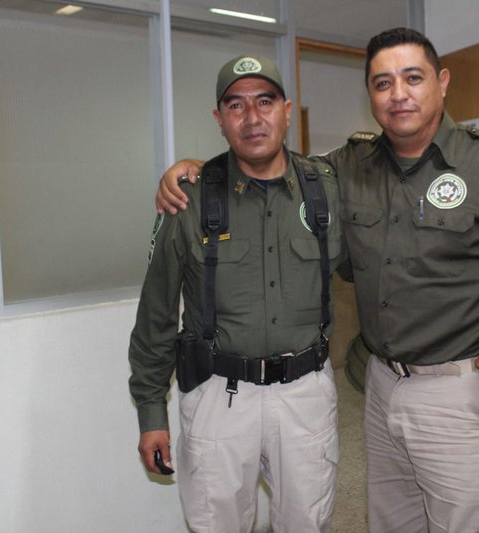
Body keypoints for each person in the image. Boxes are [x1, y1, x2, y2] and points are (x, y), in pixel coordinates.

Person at [154, 28, 479, 533]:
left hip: (461, 392)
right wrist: (199, 171)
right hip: (380, 387)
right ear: (370, 95)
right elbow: (268, 165)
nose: (398, 94)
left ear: (442, 83)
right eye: (382, 83)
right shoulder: (345, 168)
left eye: (412, 78)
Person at [128, 54, 347, 533]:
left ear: (287, 110)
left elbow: (374, 271)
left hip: (305, 393)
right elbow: (157, 316)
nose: (253, 118)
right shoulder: (188, 199)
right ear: (219, 120)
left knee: (309, 524)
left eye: (265, 101)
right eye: (236, 105)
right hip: (218, 398)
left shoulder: (328, 191)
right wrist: (151, 412)